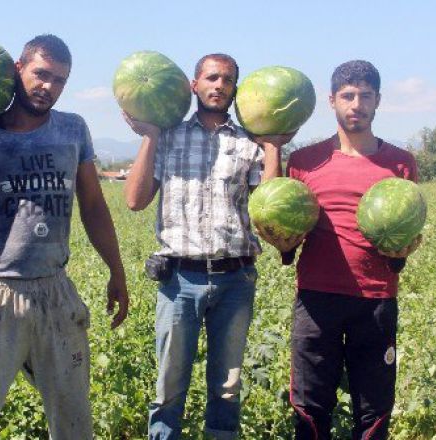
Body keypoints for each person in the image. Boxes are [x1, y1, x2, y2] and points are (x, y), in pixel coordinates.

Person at [0, 34, 129, 439]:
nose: (48, 87)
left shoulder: (73, 129)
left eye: (59, 80)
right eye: (40, 74)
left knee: (74, 419)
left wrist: (117, 271)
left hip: (54, 292)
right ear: (16, 70)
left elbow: (92, 204)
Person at [122, 53, 295, 439]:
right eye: (212, 78)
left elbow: (270, 209)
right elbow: (134, 200)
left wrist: (271, 148)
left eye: (228, 80)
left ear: (236, 89)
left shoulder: (246, 144)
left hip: (235, 278)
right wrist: (150, 136)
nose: (219, 86)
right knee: (169, 385)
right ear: (194, 85)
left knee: (226, 386)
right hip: (179, 279)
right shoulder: (167, 138)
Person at [273, 60, 421, 440]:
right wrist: (283, 247)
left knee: (373, 410)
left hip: (375, 300)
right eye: (348, 96)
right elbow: (293, 227)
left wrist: (403, 251)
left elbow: (402, 234)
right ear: (332, 101)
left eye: (365, 96)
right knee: (310, 406)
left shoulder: (401, 163)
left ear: (378, 101)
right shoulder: (305, 162)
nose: (357, 104)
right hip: (316, 299)